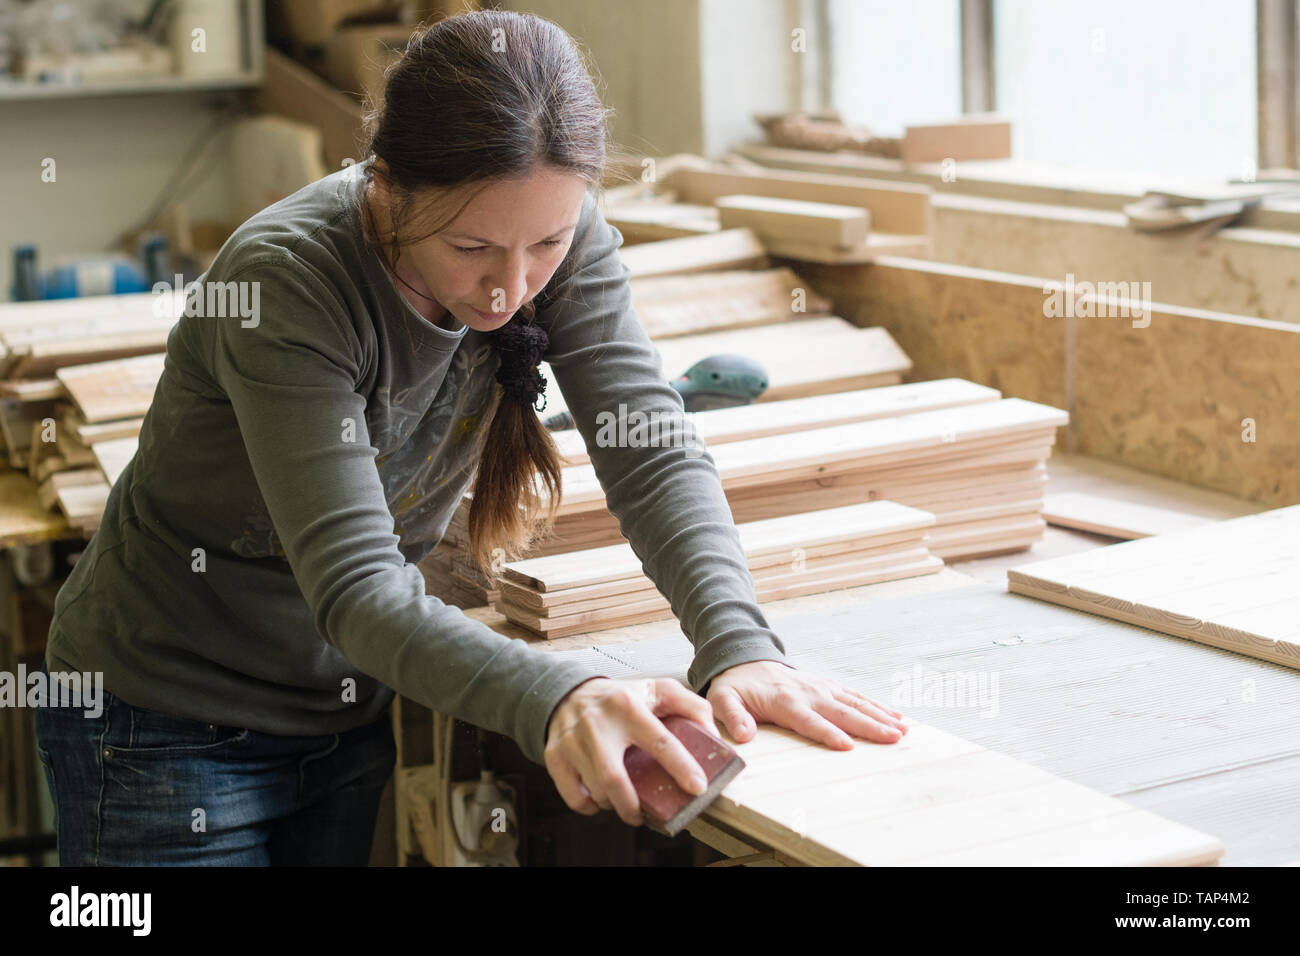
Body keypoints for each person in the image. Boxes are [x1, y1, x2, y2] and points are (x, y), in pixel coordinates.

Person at [35, 9, 908, 866]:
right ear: (384, 183)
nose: (511, 288)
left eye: (548, 245)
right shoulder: (289, 282)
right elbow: (357, 589)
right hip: (162, 719)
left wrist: (738, 646)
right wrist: (563, 693)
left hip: (343, 706)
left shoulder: (552, 236)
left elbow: (646, 444)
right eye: (470, 248)